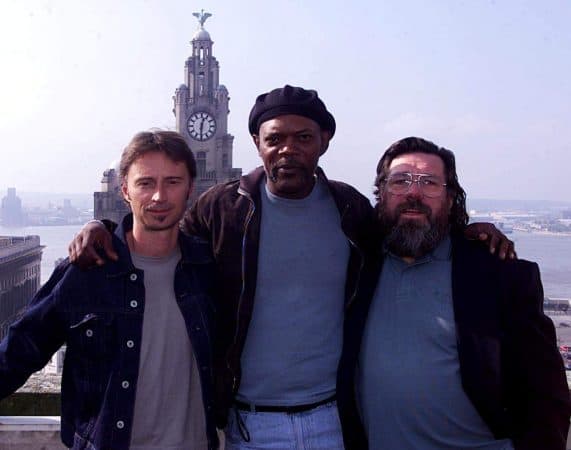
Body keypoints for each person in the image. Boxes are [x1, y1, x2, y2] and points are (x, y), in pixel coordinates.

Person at [68, 87, 513, 450]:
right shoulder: (223, 207)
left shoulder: (351, 210)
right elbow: (157, 235)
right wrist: (103, 224)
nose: (288, 150)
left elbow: (409, 230)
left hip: (336, 422)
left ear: (323, 141)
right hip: (248, 427)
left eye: (303, 138)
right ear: (257, 145)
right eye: (275, 138)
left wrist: (471, 230)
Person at [338, 137, 571, 450]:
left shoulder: (500, 275)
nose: (413, 193)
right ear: (380, 193)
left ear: (450, 199)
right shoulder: (356, 264)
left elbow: (547, 392)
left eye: (430, 182)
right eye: (400, 181)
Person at [0, 130, 218, 450]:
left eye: (172, 182)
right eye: (146, 183)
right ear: (125, 190)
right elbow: (19, 351)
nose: (159, 196)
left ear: (190, 189)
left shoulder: (208, 269)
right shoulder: (87, 271)